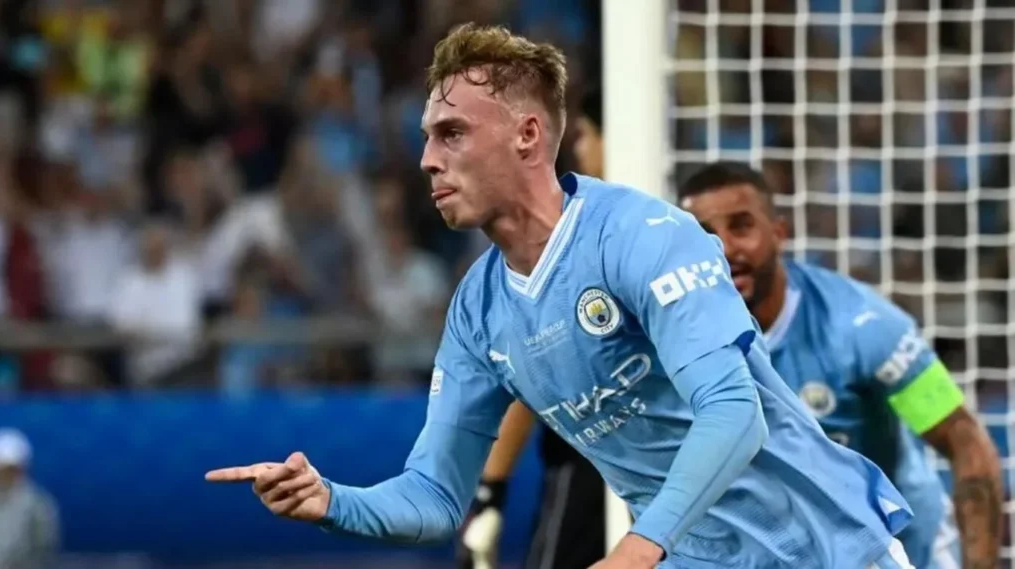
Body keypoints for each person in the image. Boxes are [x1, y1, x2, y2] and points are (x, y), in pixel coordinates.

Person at [205, 24, 917, 568]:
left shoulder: (644, 235)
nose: (427, 157)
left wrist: (639, 547)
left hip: (829, 548)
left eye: (452, 133)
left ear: (527, 134)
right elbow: (434, 495)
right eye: (427, 137)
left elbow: (734, 414)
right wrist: (333, 500)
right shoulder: (477, 311)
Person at [675, 162, 1002, 569]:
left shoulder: (861, 325)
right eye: (705, 235)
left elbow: (964, 438)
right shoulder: (677, 343)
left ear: (779, 232)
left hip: (901, 548)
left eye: (741, 227)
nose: (723, 249)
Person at [455, 86, 609, 569]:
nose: (578, 149)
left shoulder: (571, 234)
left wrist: (489, 490)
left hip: (590, 460)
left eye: (584, 134)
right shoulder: (672, 227)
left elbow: (535, 366)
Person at [0, 428, 60, 569]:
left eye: (11, 469)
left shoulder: (37, 505)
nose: (6, 475)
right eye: (2, 469)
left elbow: (43, 548)